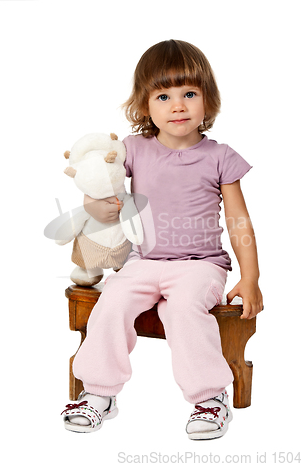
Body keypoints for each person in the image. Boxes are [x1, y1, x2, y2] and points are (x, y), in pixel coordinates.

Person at [61, 40, 263, 439]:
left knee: (185, 307)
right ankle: (99, 392)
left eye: (190, 94)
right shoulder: (133, 150)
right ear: (145, 106)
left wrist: (251, 277)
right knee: (112, 302)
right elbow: (105, 190)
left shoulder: (220, 156)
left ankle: (210, 397)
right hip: (144, 262)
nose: (178, 105)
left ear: (208, 100)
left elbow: (239, 220)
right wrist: (97, 203)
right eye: (164, 95)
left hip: (200, 264)